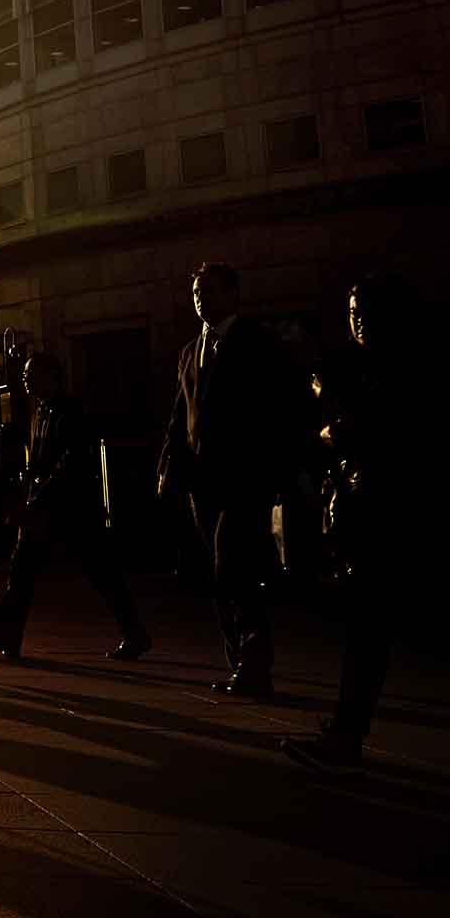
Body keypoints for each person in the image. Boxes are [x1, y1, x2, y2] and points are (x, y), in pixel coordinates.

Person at [283, 275, 417, 774]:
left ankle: (346, 736)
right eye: (352, 311)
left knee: (368, 629)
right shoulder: (364, 368)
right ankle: (346, 730)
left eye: (365, 311)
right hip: (369, 513)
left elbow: (380, 433)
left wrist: (338, 428)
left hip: (391, 514)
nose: (357, 320)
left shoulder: (401, 368)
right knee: (367, 629)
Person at [159, 262, 297, 699]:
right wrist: (169, 467)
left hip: (245, 478)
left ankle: (254, 660)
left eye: (210, 291)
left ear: (233, 295)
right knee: (220, 574)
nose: (201, 299)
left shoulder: (257, 343)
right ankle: (241, 663)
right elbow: (181, 418)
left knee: (232, 564)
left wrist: (276, 470)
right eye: (197, 292)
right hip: (204, 482)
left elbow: (276, 407)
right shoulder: (188, 352)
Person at [0, 352, 151, 662]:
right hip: (43, 507)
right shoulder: (39, 412)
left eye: (31, 373)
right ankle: (6, 634)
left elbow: (71, 463)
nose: (25, 379)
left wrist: (38, 500)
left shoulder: (70, 411)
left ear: (51, 376)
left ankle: (134, 632)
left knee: (100, 573)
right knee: (21, 570)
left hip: (71, 508)